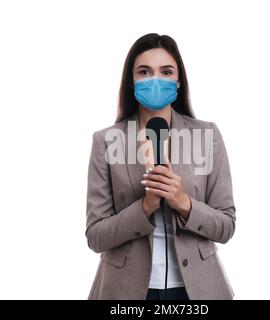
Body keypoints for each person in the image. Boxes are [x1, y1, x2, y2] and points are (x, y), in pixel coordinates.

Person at [85, 33, 236, 300]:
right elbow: (96, 236)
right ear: (131, 81)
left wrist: (184, 203)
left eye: (166, 72)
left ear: (179, 82)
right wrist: (145, 207)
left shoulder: (208, 136)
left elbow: (226, 226)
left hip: (197, 290)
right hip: (126, 291)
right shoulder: (106, 141)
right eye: (145, 71)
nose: (155, 80)